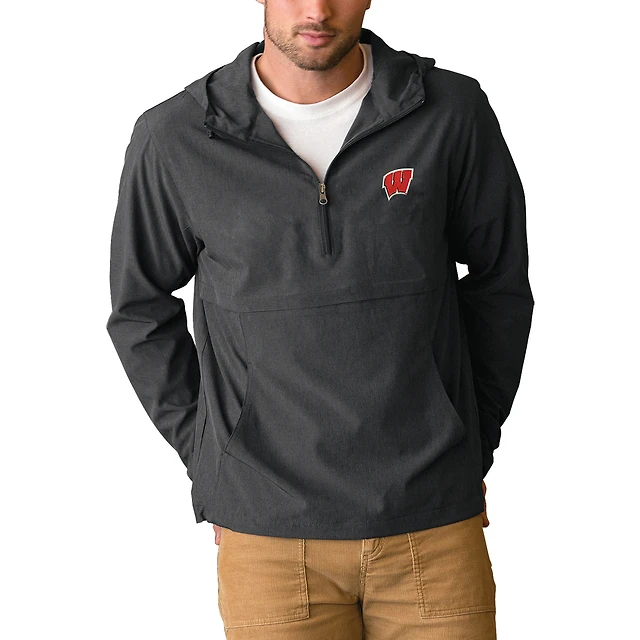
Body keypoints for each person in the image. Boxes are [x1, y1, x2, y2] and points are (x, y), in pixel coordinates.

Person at [106, 0, 534, 637]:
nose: (317, 10)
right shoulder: (177, 136)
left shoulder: (450, 111)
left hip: (434, 529)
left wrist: (471, 444)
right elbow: (139, 310)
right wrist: (213, 459)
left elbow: (501, 284)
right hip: (267, 536)